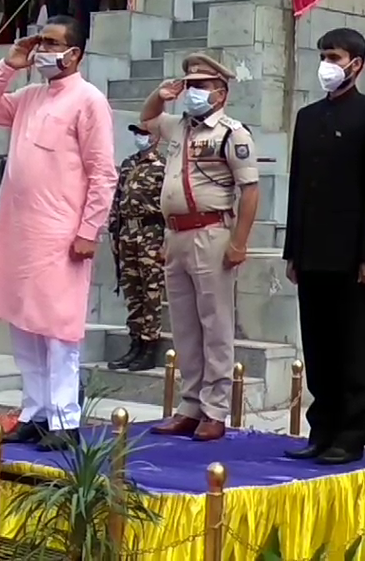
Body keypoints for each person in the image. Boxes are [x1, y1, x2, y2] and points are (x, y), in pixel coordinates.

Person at [0, 18, 117, 451]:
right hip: (18, 231)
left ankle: (64, 419)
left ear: (75, 54)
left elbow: (103, 173)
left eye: (52, 43)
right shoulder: (30, 96)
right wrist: (10, 64)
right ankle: (34, 412)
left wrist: (90, 229)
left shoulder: (89, 101)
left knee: (58, 328)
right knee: (24, 324)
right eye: (41, 41)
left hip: (61, 232)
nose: (43, 50)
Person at [282, 28, 365, 465]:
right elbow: (298, 188)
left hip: (353, 256)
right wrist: (292, 250)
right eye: (323, 56)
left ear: (357, 63)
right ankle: (322, 428)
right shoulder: (309, 117)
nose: (327, 65)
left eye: (334, 56)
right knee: (317, 346)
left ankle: (351, 435)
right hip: (312, 253)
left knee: (351, 346)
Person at [139, 54, 260, 442]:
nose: (193, 91)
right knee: (185, 325)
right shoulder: (179, 127)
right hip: (176, 234)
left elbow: (250, 191)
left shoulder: (231, 133)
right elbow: (147, 119)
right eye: (189, 84)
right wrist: (160, 96)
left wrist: (239, 242)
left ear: (221, 93)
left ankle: (215, 409)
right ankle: (189, 405)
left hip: (212, 231)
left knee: (215, 322)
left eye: (202, 86)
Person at [106, 123, 167, 372]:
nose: (140, 138)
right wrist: (113, 230)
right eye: (137, 133)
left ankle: (149, 346)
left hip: (151, 232)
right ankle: (135, 343)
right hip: (127, 232)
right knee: (132, 290)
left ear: (156, 137)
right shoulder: (129, 164)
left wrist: (166, 239)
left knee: (150, 290)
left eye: (145, 133)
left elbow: (168, 203)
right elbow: (117, 198)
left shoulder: (163, 165)